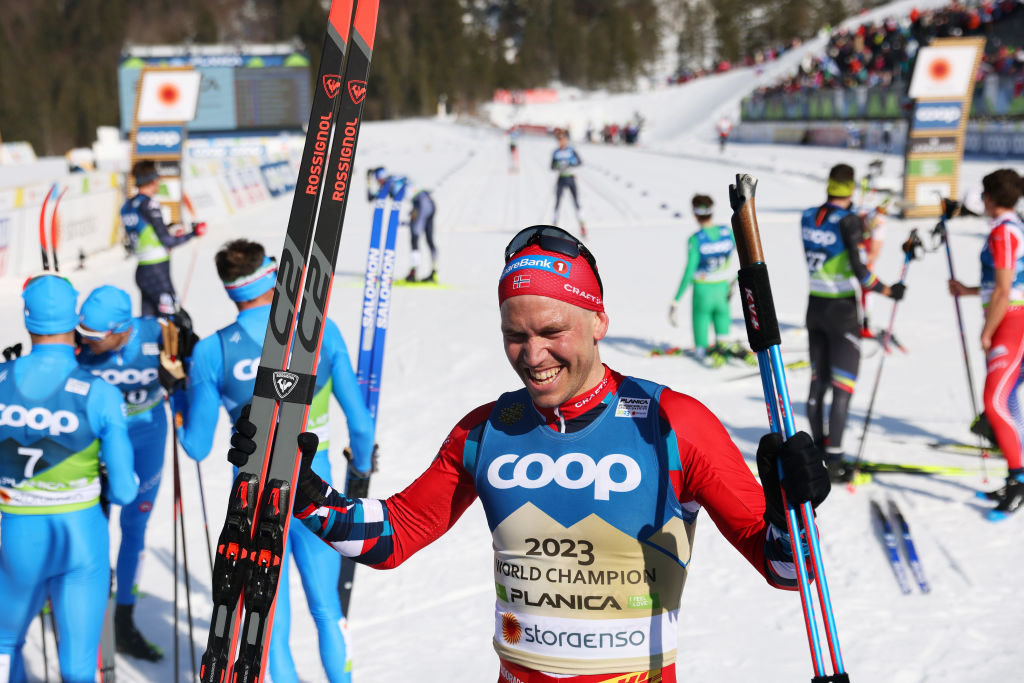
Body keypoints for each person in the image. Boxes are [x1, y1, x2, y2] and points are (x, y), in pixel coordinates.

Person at [229, 225, 832, 682]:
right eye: (515, 336)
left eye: (551, 332)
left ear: (598, 321)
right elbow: (393, 536)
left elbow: (787, 571)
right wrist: (302, 491)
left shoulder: (674, 423)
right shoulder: (489, 428)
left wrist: (788, 513)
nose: (532, 354)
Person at [177, 239, 374, 683]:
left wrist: (178, 392)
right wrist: (361, 468)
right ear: (272, 277)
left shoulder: (211, 352)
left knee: (265, 631)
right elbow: (361, 424)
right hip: (312, 484)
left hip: (252, 498)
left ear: (230, 290)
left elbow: (194, 447)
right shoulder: (319, 331)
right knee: (327, 611)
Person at [0, 275, 138, 682]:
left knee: (6, 646)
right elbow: (127, 490)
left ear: (27, 321)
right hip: (81, 539)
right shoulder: (98, 392)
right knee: (78, 665)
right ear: (74, 319)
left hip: (19, 536)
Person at [76, 285, 193, 660]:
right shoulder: (81, 350)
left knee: (134, 528)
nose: (86, 339)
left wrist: (189, 347)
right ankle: (76, 607)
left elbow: (190, 363)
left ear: (123, 328)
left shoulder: (156, 333)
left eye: (95, 335)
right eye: (83, 331)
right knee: (90, 528)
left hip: (146, 438)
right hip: (97, 444)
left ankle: (124, 621)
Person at [802, 164, 905, 482]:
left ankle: (817, 451)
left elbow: (833, 231)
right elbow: (862, 272)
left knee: (818, 383)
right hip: (842, 310)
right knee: (842, 388)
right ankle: (834, 462)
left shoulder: (807, 215)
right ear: (850, 188)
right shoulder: (848, 220)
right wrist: (889, 290)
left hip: (815, 306)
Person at [948, 168, 1024, 520]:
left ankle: (1019, 480)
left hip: (1014, 322)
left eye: (983, 193)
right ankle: (1015, 475)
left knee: (994, 403)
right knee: (1006, 401)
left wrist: (987, 331)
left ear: (990, 197)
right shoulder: (1006, 228)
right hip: (1008, 318)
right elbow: (1004, 284)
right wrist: (968, 291)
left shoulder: (1005, 232)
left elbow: (1007, 290)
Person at [668, 195, 752, 367]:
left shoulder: (696, 238)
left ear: (695, 214)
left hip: (702, 291)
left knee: (701, 333)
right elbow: (748, 254)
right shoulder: (727, 232)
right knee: (723, 335)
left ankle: (704, 352)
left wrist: (676, 300)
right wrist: (736, 280)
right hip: (722, 290)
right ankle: (725, 350)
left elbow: (689, 271)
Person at [121, 160, 206, 317]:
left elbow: (146, 232)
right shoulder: (150, 204)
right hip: (157, 270)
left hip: (143, 269)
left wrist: (170, 229)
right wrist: (194, 233)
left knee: (150, 324)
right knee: (175, 321)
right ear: (153, 180)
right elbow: (168, 241)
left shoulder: (127, 205)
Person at [551, 132, 586, 237]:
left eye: (563, 139)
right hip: (561, 178)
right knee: (557, 202)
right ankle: (554, 226)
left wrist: (570, 164)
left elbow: (580, 161)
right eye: (559, 139)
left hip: (570, 178)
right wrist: (558, 165)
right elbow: (552, 166)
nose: (561, 141)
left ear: (566, 140)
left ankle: (582, 226)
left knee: (576, 202)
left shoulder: (571, 150)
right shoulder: (556, 152)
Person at [406, 187, 438, 283]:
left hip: (422, 205)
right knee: (429, 240)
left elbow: (371, 197)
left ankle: (413, 273)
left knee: (414, 238)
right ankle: (434, 273)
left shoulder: (390, 184)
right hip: (429, 204)